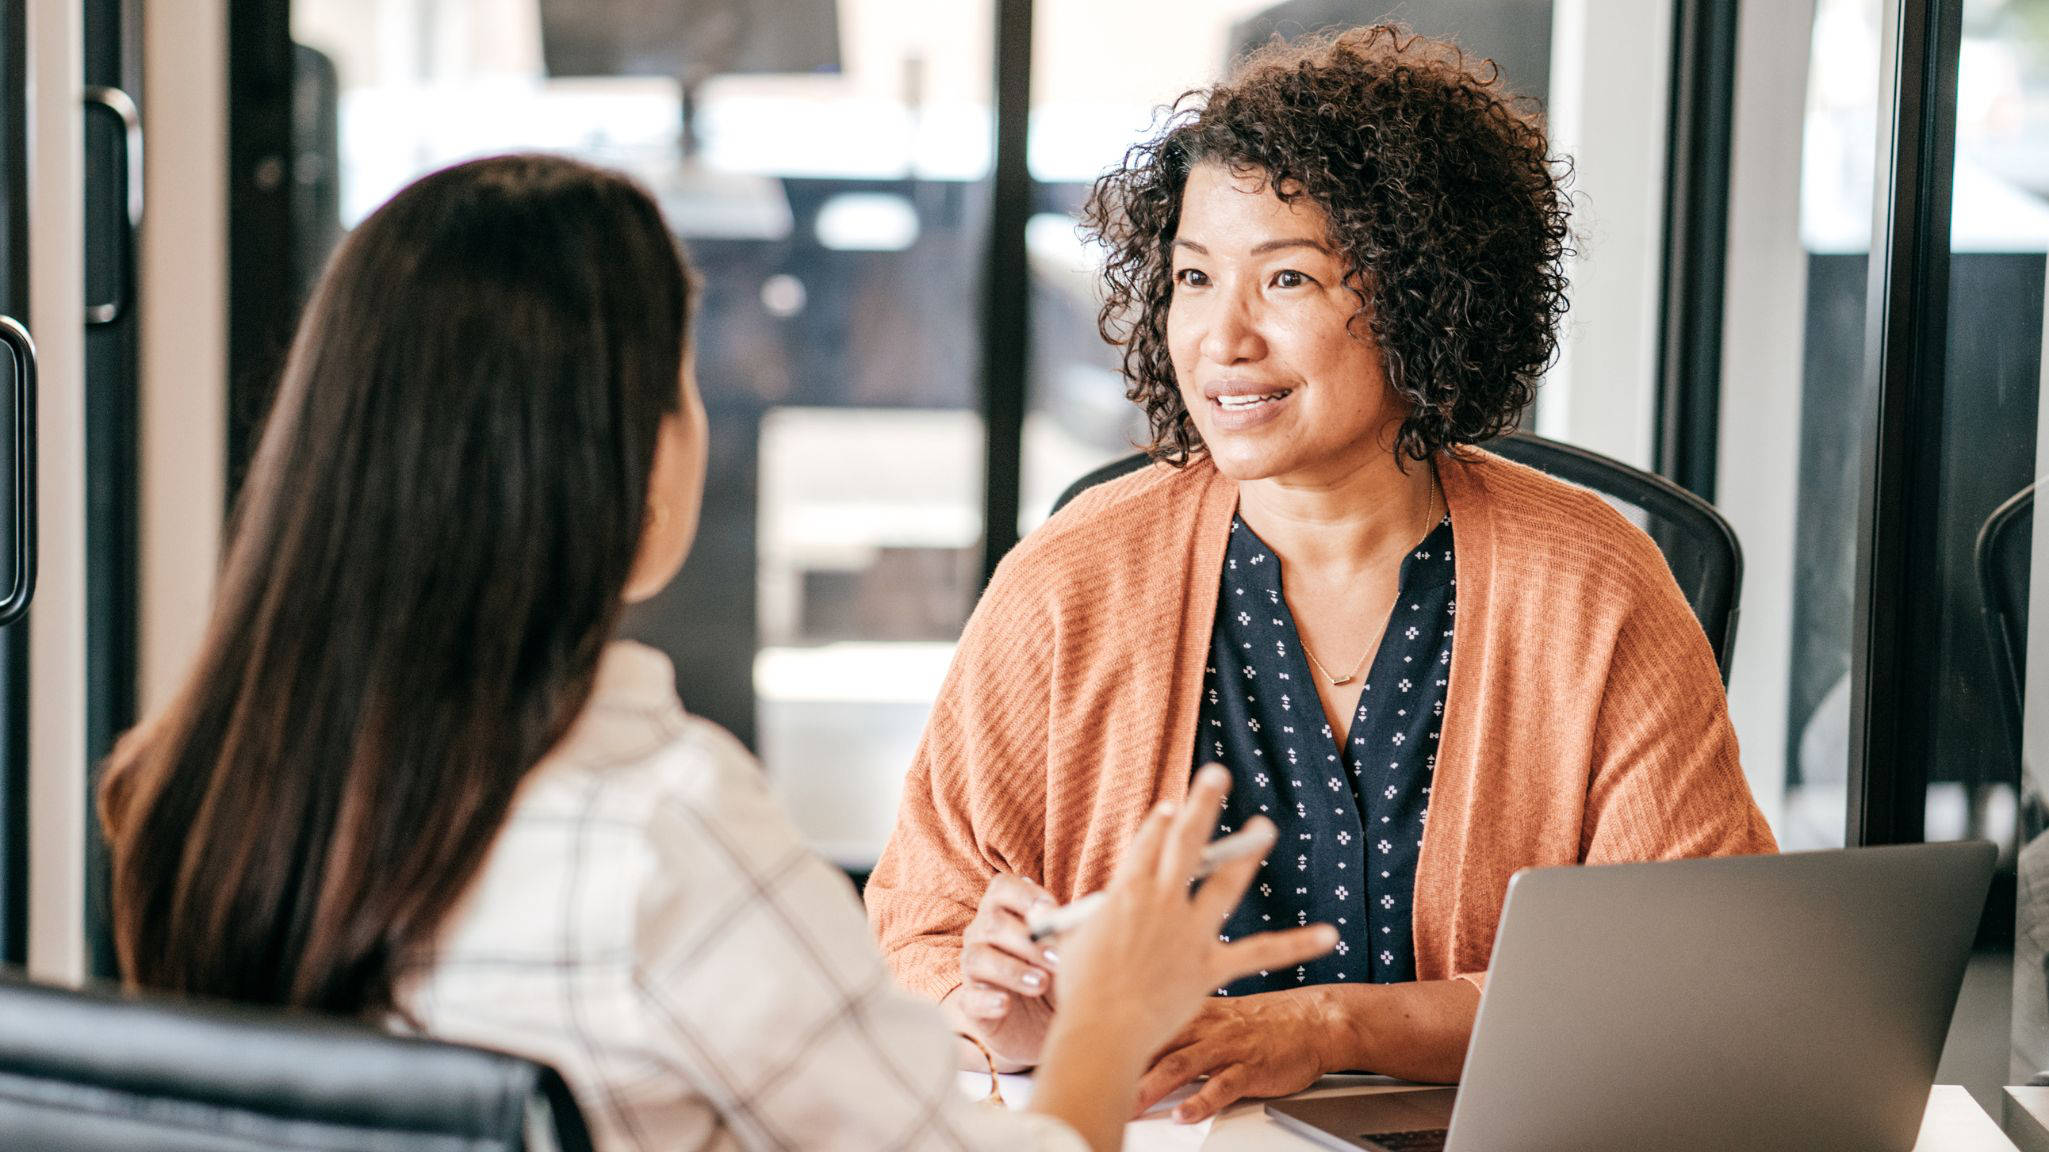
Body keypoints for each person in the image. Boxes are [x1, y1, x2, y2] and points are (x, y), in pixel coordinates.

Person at [96, 153, 1334, 1152]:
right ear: (620, 462)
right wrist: (1110, 1018)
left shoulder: (189, 790)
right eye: (682, 383)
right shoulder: (661, 834)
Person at [866, 25, 1778, 1124]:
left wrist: (1333, 1028)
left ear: (1420, 294)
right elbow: (921, 927)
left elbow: (1683, 976)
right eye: (1194, 277)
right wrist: (999, 1008)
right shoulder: (1069, 579)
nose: (1222, 337)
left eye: (1286, 276)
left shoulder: (1593, 582)